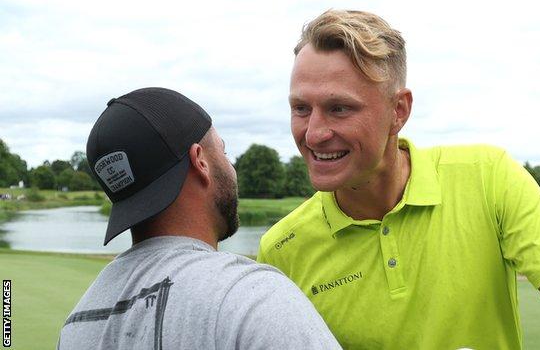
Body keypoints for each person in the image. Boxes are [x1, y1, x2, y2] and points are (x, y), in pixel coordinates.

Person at [257, 10, 540, 349]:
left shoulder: (488, 175)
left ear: (398, 111)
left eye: (339, 108)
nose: (315, 133)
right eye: (301, 108)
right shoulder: (280, 251)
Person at [58, 88, 341, 349]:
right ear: (200, 160)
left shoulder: (76, 322)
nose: (231, 167)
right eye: (224, 150)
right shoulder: (253, 297)